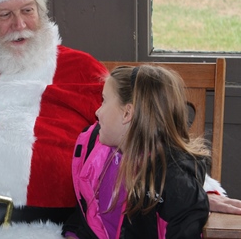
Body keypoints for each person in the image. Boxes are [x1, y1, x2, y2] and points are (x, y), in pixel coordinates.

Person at [0, 0, 241, 239]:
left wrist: (198, 191)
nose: (20, 25)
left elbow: (145, 132)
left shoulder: (79, 69)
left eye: (28, 10)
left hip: (56, 232)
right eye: (4, 15)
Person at [63, 65, 210, 238]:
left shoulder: (174, 184)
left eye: (103, 100)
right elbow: (83, 217)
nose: (97, 111)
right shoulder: (96, 157)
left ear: (127, 113)